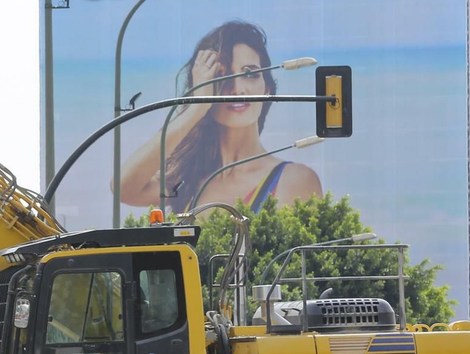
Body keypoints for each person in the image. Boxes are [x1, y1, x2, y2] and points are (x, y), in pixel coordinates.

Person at [118, 19, 322, 215]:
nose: (237, 89)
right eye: (222, 76)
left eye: (250, 73)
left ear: (267, 88)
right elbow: (123, 188)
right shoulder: (188, 182)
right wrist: (197, 109)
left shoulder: (294, 179)